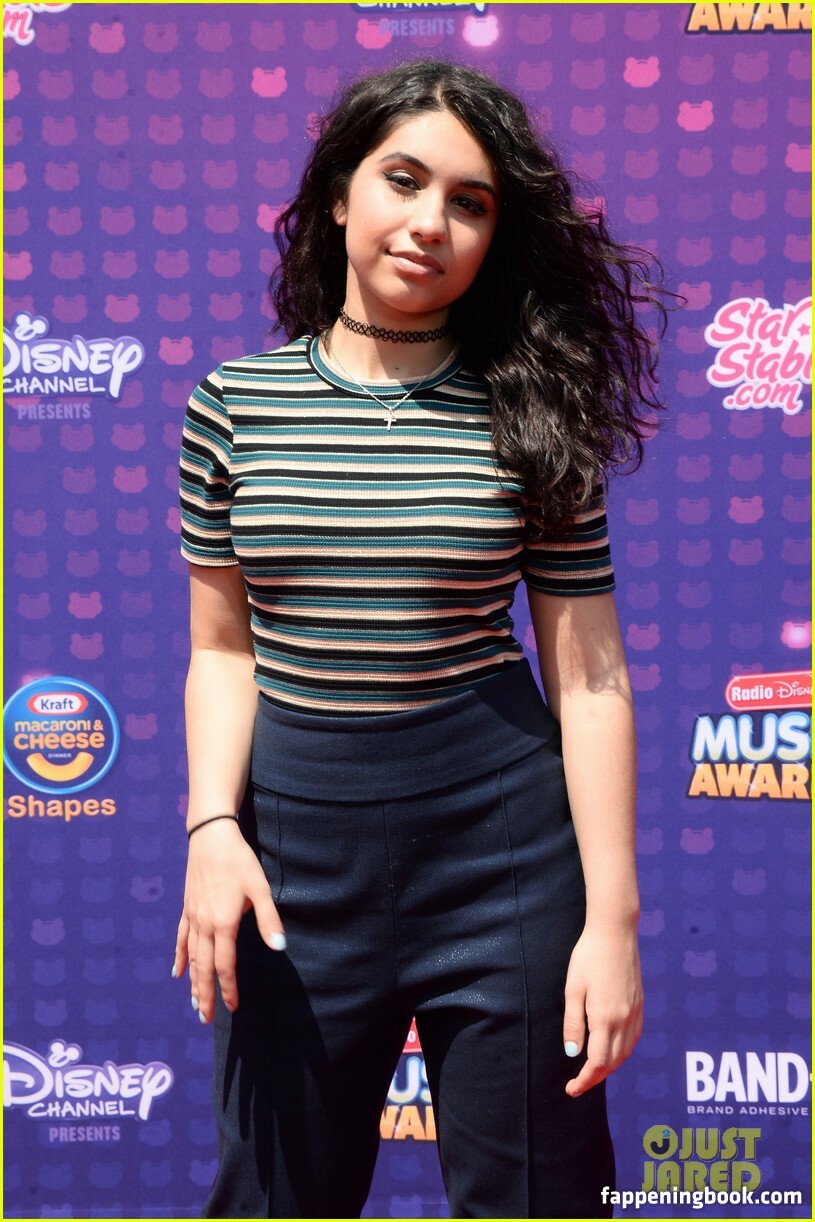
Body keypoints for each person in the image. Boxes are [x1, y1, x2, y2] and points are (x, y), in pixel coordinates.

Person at [174, 58, 670, 1220]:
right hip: (291, 869)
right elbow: (222, 649)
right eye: (402, 180)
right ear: (337, 193)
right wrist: (211, 827)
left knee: (542, 1201)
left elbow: (589, 678)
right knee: (273, 1201)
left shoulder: (532, 411)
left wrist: (610, 919)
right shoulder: (231, 405)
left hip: (503, 856)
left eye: (468, 202)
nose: (430, 221)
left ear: (494, 235)